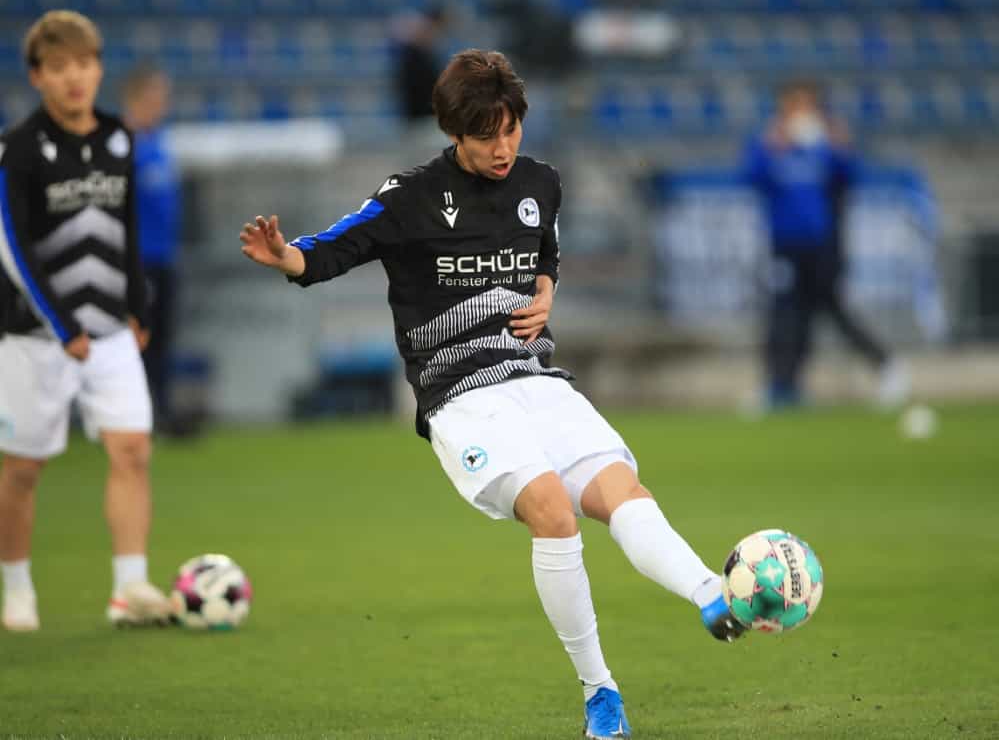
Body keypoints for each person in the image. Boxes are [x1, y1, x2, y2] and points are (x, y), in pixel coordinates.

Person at [240, 49, 743, 739]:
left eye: (511, 130)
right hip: (460, 396)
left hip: (535, 379)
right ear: (453, 132)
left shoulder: (542, 183)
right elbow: (332, 250)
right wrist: (286, 256)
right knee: (553, 512)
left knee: (623, 491)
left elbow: (545, 255)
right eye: (485, 136)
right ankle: (600, 693)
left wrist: (546, 293)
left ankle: (712, 593)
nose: (502, 148)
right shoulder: (410, 197)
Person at [0, 10, 171, 631]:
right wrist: (60, 323)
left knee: (132, 450)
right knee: (24, 468)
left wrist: (138, 304)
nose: (73, 77)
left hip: (111, 332)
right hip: (35, 335)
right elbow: (12, 246)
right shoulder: (19, 147)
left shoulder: (119, 137)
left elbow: (126, 227)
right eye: (58, 67)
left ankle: (130, 589)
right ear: (37, 76)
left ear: (98, 69)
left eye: (84, 64)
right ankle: (17, 589)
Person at [742, 81, 909, 409]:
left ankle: (885, 365)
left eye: (805, 106)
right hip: (785, 246)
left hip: (822, 247)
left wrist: (841, 147)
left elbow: (850, 176)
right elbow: (751, 178)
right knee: (786, 316)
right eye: (793, 106)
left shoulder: (823, 147)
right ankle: (783, 386)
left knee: (827, 309)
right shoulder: (771, 145)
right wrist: (770, 148)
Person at [121, 63, 183, 432]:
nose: (163, 102)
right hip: (136, 260)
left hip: (164, 257)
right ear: (137, 97)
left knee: (163, 336)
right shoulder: (121, 145)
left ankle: (160, 410)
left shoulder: (159, 141)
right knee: (138, 338)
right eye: (157, 95)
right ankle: (135, 415)